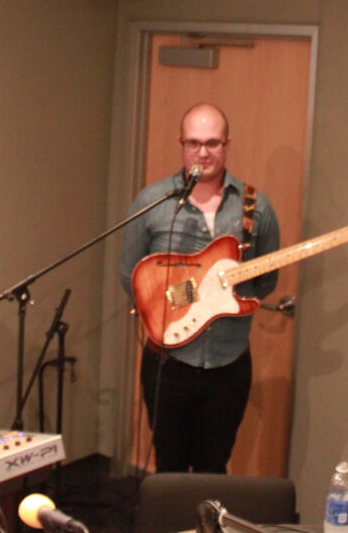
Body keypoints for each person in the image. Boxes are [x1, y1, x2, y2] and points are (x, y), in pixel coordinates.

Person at [119, 103, 280, 474]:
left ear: (227, 144)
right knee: (169, 468)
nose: (203, 153)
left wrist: (223, 301)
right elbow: (130, 276)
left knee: (213, 468)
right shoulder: (152, 203)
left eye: (212, 143)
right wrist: (175, 307)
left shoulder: (256, 207)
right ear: (181, 144)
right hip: (168, 363)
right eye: (193, 143)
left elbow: (265, 281)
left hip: (229, 364)